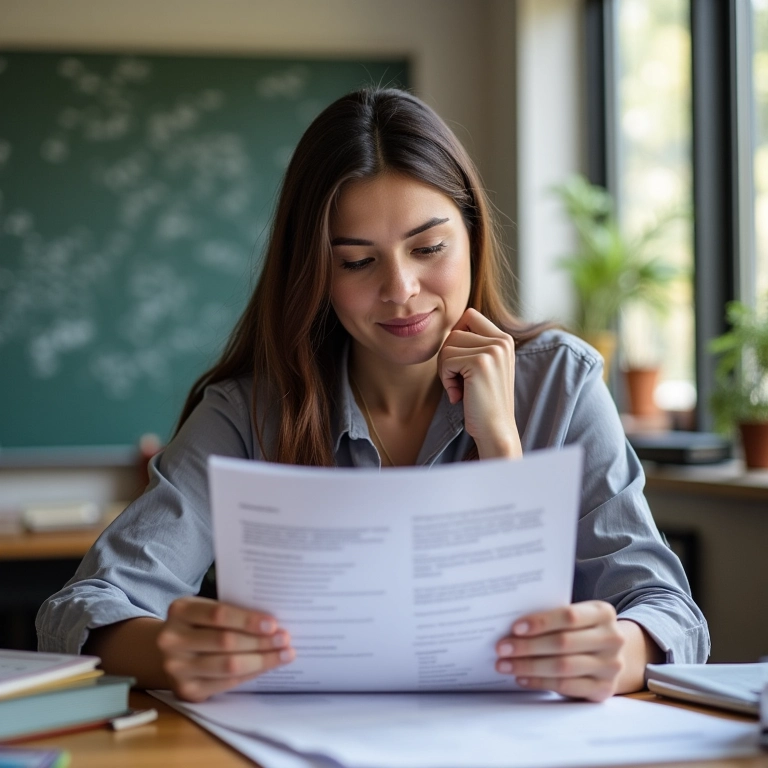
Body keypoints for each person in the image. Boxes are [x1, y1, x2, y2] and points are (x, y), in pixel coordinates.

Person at [37, 88, 708, 704]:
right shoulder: (249, 411)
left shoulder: (559, 383)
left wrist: (616, 651)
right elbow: (83, 605)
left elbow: (665, 607)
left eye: (429, 247)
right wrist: (163, 649)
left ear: (472, 232)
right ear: (315, 272)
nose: (401, 290)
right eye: (357, 261)